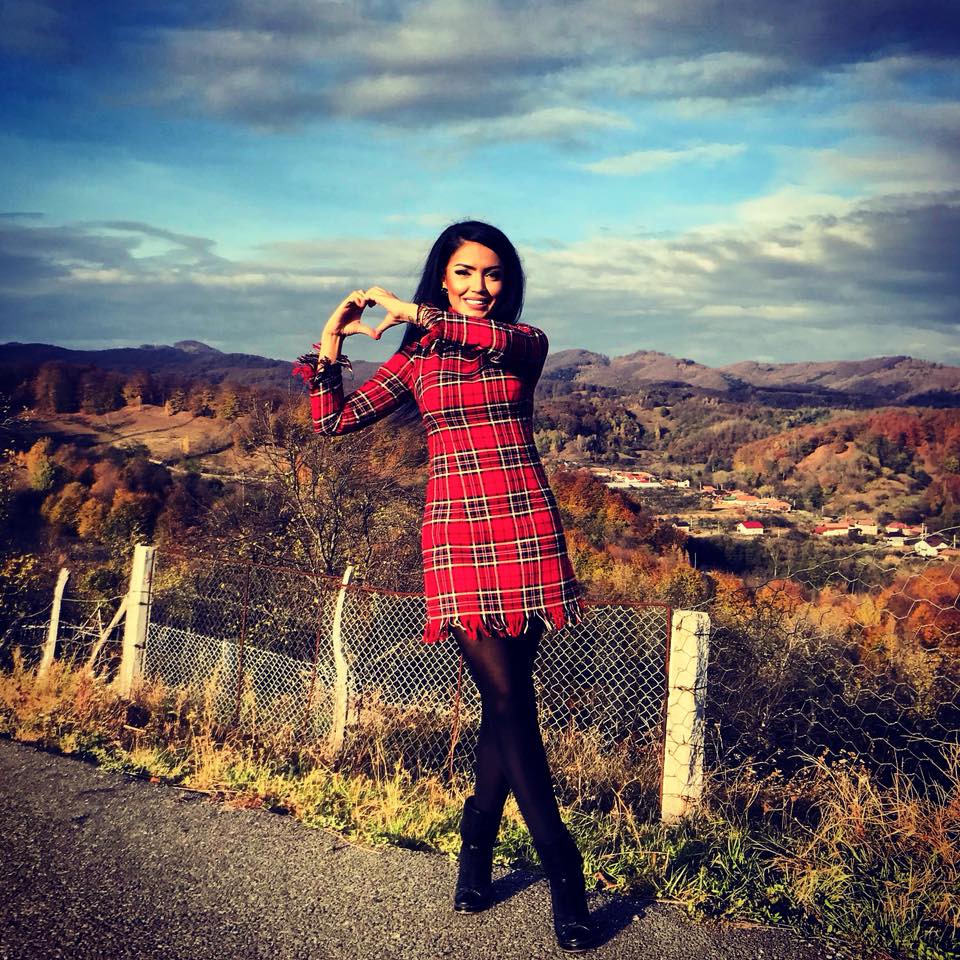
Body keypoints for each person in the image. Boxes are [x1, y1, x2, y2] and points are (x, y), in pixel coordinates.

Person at [293, 220, 600, 952]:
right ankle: (564, 867)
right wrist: (330, 342)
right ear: (443, 275)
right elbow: (331, 421)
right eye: (464, 272)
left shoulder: (521, 343)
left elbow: (484, 337)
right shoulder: (419, 358)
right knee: (506, 697)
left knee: (507, 702)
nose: (479, 286)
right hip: (457, 534)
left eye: (492, 273)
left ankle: (474, 851)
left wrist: (410, 311)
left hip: (524, 525)